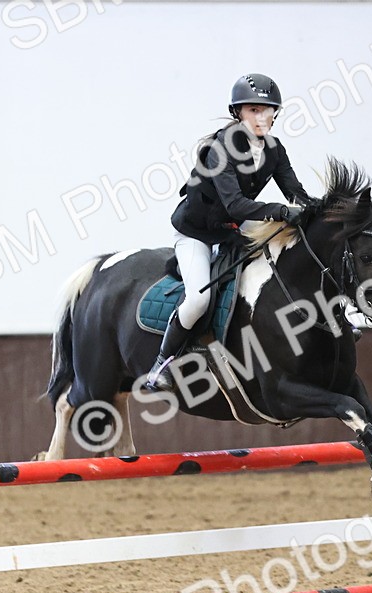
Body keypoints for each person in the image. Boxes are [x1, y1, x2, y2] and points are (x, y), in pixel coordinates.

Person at [144, 73, 315, 392]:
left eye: (268, 110)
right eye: (253, 110)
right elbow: (236, 204)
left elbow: (296, 192)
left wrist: (321, 211)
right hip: (198, 232)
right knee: (198, 298)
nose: (262, 117)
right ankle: (161, 365)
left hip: (235, 228)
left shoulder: (274, 150)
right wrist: (280, 212)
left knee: (294, 248)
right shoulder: (220, 149)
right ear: (237, 112)